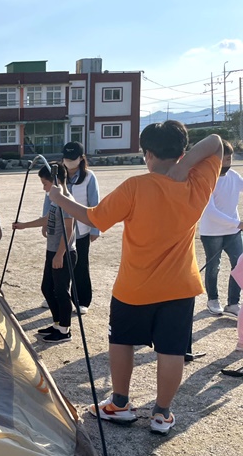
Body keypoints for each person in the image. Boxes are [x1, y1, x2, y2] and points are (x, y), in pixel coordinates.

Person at [49, 122, 222, 435]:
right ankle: (161, 414)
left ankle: (119, 404)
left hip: (134, 287)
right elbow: (215, 142)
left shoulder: (136, 186)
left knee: (122, 340)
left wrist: (58, 197)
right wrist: (182, 169)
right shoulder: (197, 180)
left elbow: (92, 217)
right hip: (180, 288)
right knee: (171, 350)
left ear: (148, 155)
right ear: (182, 153)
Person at [13, 163, 76, 343]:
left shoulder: (66, 200)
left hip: (63, 253)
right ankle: (57, 323)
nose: (44, 188)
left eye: (45, 183)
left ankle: (64, 330)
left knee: (61, 291)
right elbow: (48, 218)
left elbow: (69, 229)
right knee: (47, 288)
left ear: (55, 181)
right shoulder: (56, 200)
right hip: (53, 251)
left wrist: (59, 255)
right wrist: (24, 225)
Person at [198, 139, 243, 317]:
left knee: (238, 265)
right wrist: (237, 223)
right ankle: (213, 300)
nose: (229, 161)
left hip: (233, 232)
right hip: (212, 233)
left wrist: (235, 226)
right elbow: (210, 212)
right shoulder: (207, 179)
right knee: (214, 266)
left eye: (230, 158)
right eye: (225, 158)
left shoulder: (234, 176)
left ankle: (233, 303)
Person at [60, 141, 100, 314]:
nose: (69, 162)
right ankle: (59, 295)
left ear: (81, 158)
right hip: (60, 229)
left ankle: (82, 300)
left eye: (73, 158)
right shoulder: (57, 175)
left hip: (81, 230)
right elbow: (49, 198)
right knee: (58, 264)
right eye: (66, 158)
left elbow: (94, 204)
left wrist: (95, 229)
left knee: (80, 265)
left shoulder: (89, 177)